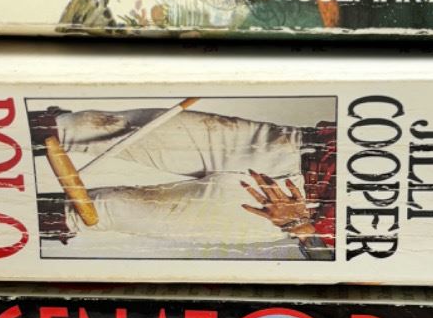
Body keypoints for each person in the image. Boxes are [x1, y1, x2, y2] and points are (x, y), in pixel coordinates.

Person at [31, 100, 337, 260]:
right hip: (297, 146)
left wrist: (305, 228)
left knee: (103, 210)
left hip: (288, 213)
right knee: (87, 126)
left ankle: (5, 220)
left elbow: (342, 268)